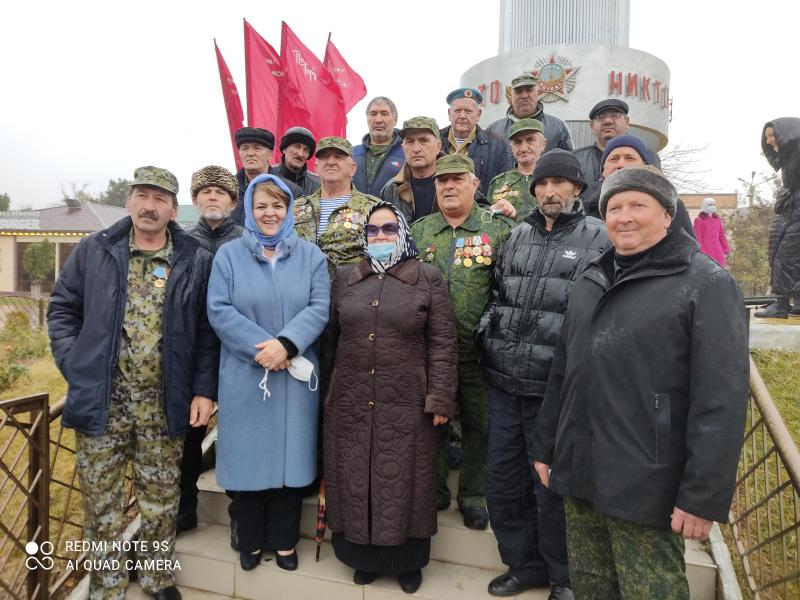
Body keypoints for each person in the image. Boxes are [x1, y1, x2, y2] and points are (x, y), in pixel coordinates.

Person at [532, 166, 749, 599]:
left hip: (646, 483)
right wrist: (546, 446)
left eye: (638, 205)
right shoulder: (591, 280)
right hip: (581, 472)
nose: (624, 216)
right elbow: (563, 371)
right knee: (592, 588)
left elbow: (721, 399)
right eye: (614, 207)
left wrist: (701, 496)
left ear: (667, 216)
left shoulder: (705, 283)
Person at [47, 166, 218, 600]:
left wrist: (203, 390)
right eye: (142, 195)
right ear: (128, 202)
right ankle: (106, 588)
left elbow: (207, 332)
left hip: (164, 404)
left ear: (174, 209)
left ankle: (157, 577)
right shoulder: (94, 250)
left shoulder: (195, 259)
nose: (149, 205)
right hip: (103, 402)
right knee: (100, 503)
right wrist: (76, 365)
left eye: (160, 198)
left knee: (160, 499)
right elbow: (62, 309)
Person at [477, 149, 608, 599]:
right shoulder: (516, 236)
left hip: (554, 389)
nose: (550, 192)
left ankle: (562, 576)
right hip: (504, 383)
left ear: (577, 189)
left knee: (550, 488)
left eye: (560, 184)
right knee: (502, 481)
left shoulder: (599, 238)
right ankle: (522, 565)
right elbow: (498, 292)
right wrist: (488, 330)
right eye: (543, 184)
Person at [323, 201, 457, 594]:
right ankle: (362, 559)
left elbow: (444, 344)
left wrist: (440, 399)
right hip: (350, 399)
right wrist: (329, 395)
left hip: (408, 404)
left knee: (406, 483)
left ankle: (406, 563)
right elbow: (331, 341)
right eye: (373, 231)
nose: (380, 237)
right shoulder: (347, 277)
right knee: (356, 480)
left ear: (403, 234)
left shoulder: (427, 278)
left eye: (388, 229)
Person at [207, 174, 330, 572]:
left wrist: (288, 344)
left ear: (290, 208)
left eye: (277, 204)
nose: (269, 212)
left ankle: (283, 540)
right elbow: (219, 310)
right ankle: (250, 538)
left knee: (290, 462)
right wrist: (265, 349)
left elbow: (319, 306)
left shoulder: (312, 256)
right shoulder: (228, 256)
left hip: (293, 374)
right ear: (248, 209)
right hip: (247, 373)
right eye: (261, 205)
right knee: (247, 459)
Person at [412, 154, 514, 531]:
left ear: (475, 184)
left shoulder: (498, 228)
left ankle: (474, 496)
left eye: (457, 179)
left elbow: (508, 288)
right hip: (429, 354)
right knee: (430, 425)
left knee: (480, 425)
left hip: (479, 352)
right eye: (442, 181)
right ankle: (433, 491)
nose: (449, 186)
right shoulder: (420, 231)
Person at [177, 165, 243, 534]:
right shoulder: (181, 244)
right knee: (189, 435)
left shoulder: (247, 242)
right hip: (190, 355)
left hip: (234, 352)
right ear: (195, 200)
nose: (212, 197)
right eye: (205, 192)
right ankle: (184, 508)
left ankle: (239, 511)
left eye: (220, 192)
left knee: (234, 433)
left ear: (233, 202)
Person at [582, 134, 695, 239]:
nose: (620, 164)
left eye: (629, 158)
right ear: (603, 170)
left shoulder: (669, 205)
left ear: (644, 166)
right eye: (614, 159)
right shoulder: (584, 210)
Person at [294, 136, 379, 273]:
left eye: (338, 157)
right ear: (316, 167)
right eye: (324, 157)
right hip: (302, 291)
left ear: (353, 168)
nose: (330, 162)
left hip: (351, 291)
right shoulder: (296, 208)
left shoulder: (373, 208)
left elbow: (383, 257)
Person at [755, 118, 800, 318]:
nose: (770, 141)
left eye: (773, 135)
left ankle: (782, 303)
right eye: (767, 137)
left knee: (786, 254)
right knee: (779, 249)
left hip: (796, 208)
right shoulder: (790, 156)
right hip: (790, 206)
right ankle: (797, 301)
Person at [440, 87, 513, 197]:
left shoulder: (497, 144)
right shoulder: (435, 140)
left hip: (482, 210)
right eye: (457, 111)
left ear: (478, 114)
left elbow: (505, 181)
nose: (462, 116)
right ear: (449, 114)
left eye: (468, 111)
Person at [231, 127, 301, 225]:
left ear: (270, 155)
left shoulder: (290, 191)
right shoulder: (227, 190)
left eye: (257, 148)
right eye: (245, 148)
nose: (250, 154)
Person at [487, 72, 573, 152]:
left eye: (529, 90)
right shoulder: (494, 129)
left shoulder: (558, 127)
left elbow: (569, 162)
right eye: (518, 91)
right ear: (511, 96)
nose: (524, 96)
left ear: (538, 93)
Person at [380, 116, 443, 223]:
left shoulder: (458, 182)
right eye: (409, 141)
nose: (416, 149)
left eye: (424, 140)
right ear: (403, 147)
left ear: (438, 146)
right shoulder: (391, 190)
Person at [487, 118, 548, 222]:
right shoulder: (498, 182)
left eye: (530, 140)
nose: (523, 148)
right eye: (517, 142)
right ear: (511, 147)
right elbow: (486, 220)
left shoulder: (554, 180)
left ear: (543, 144)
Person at [353, 97, 404, 196]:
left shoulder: (408, 153)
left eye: (384, 114)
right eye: (373, 114)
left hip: (392, 211)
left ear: (395, 119)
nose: (378, 120)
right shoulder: (352, 154)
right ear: (367, 118)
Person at [270, 126, 320, 196]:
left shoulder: (318, 184)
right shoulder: (268, 177)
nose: (300, 154)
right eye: (296, 146)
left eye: (306, 150)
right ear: (284, 149)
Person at [693, 198, 731, 267]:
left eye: (714, 205)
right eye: (710, 205)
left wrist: (726, 249)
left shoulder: (717, 219)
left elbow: (721, 236)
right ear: (704, 206)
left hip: (719, 253)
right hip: (707, 253)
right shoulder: (698, 220)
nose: (713, 206)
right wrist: (703, 254)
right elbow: (698, 239)